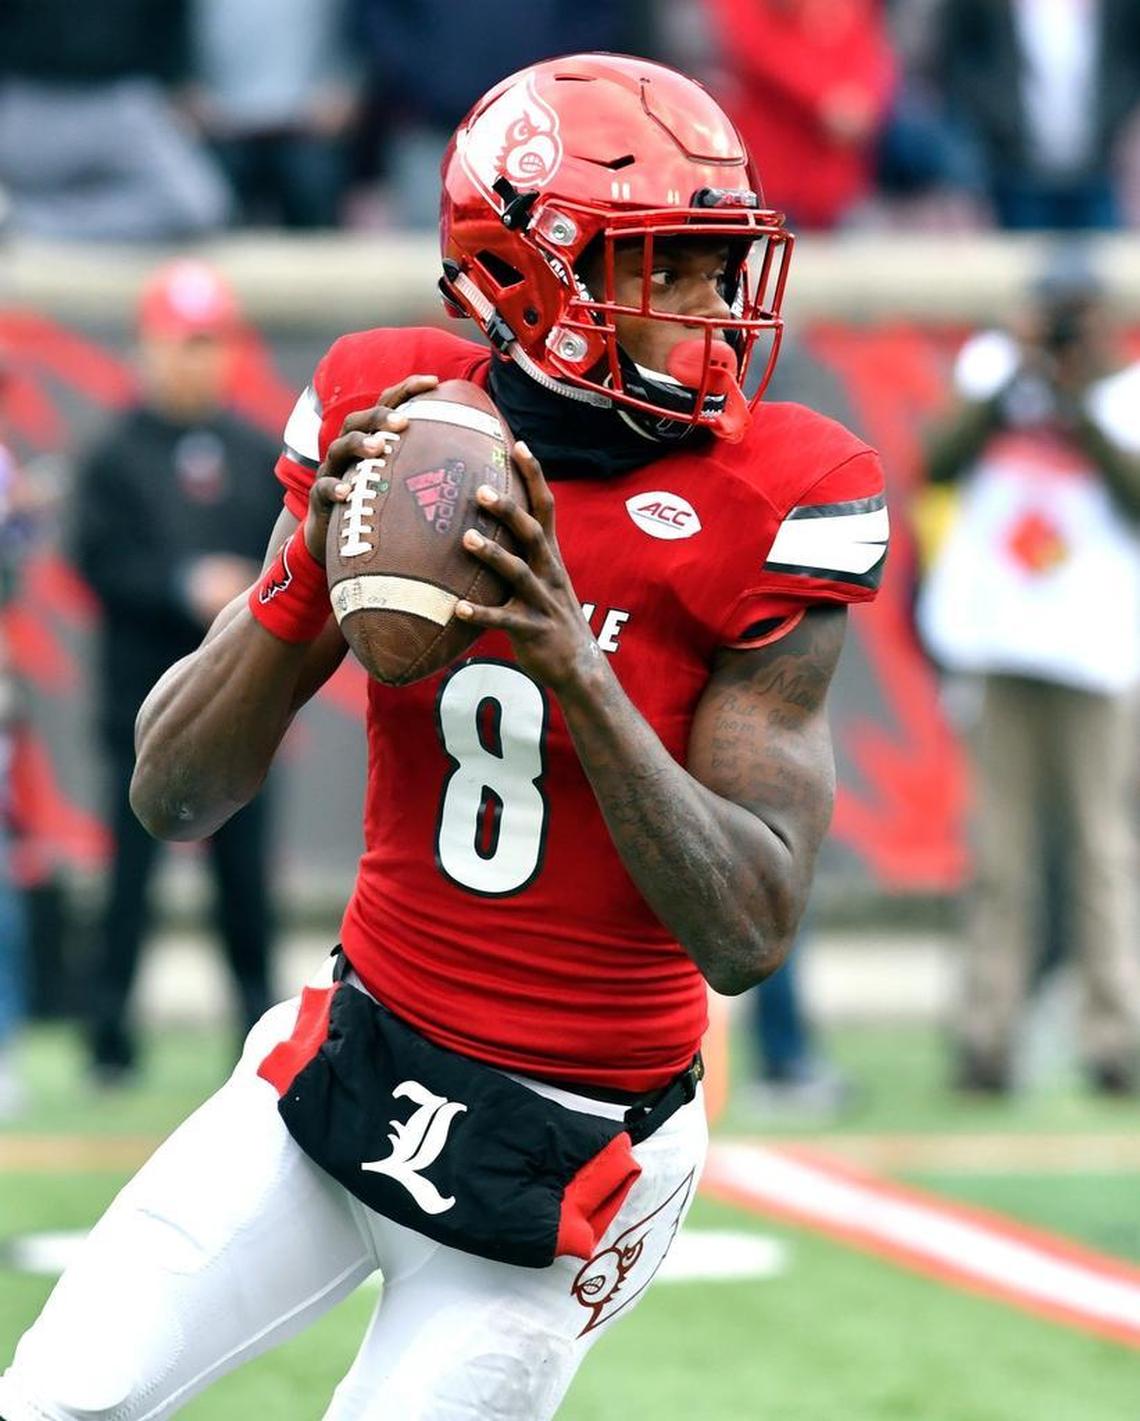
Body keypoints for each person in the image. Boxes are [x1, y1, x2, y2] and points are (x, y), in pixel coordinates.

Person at [0, 54, 889, 1418]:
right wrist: (305, 574)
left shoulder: (782, 491)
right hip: (360, 1051)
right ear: (541, 275)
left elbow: (752, 928)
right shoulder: (394, 412)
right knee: (58, 1394)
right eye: (675, 267)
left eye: (720, 263)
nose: (717, 310)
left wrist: (571, 666)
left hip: (580, 1148)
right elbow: (173, 795)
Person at [919, 251, 1140, 1096]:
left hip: (1092, 647)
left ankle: (1116, 1038)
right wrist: (1012, 376)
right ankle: (987, 1035)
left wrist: (1077, 400)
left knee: (1101, 848)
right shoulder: (993, 375)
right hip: (1001, 639)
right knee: (999, 854)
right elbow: (935, 459)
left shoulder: (1123, 396)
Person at [71, 259, 283, 1085]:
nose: (196, 359)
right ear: (148, 347)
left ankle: (257, 1035)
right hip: (140, 707)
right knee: (127, 884)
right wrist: (180, 583)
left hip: (242, 709)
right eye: (181, 342)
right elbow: (99, 562)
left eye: (209, 342)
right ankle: (108, 1041)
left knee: (245, 887)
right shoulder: (115, 456)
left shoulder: (257, 451)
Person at [937, 0, 1140, 230]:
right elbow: (959, 66)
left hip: (1101, 174)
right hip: (1013, 174)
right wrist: (999, 125)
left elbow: (1128, 63)